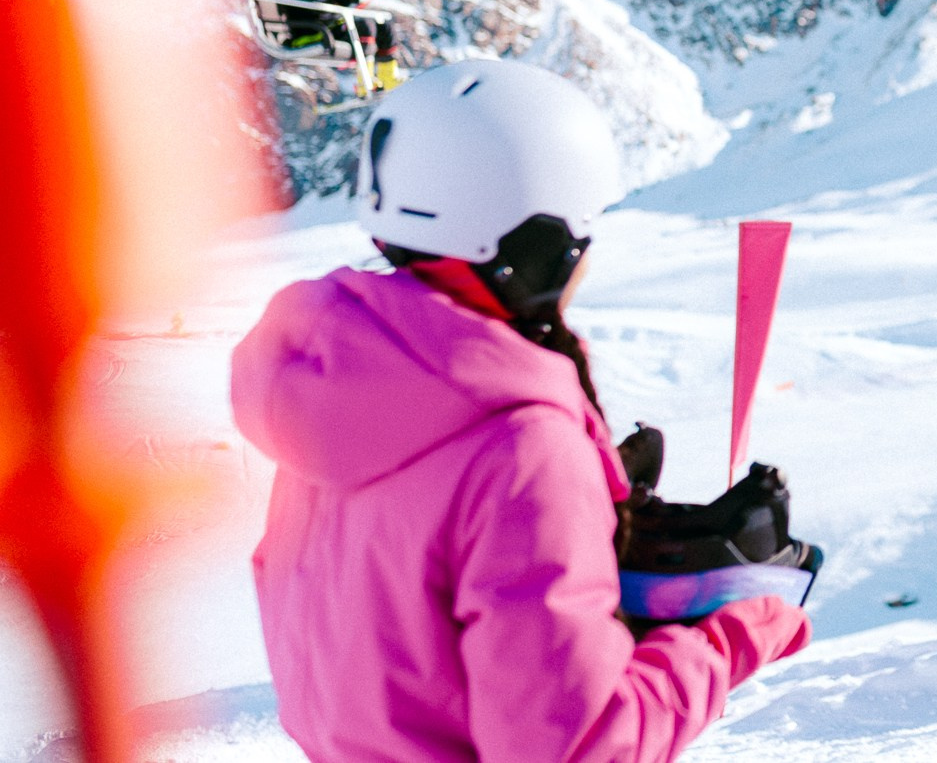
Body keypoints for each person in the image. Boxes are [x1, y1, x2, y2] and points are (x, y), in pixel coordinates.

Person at [231, 60, 810, 761]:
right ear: (538, 248)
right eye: (583, 233)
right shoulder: (521, 447)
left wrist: (604, 546)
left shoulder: (340, 389)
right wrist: (734, 632)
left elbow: (407, 634)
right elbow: (574, 746)